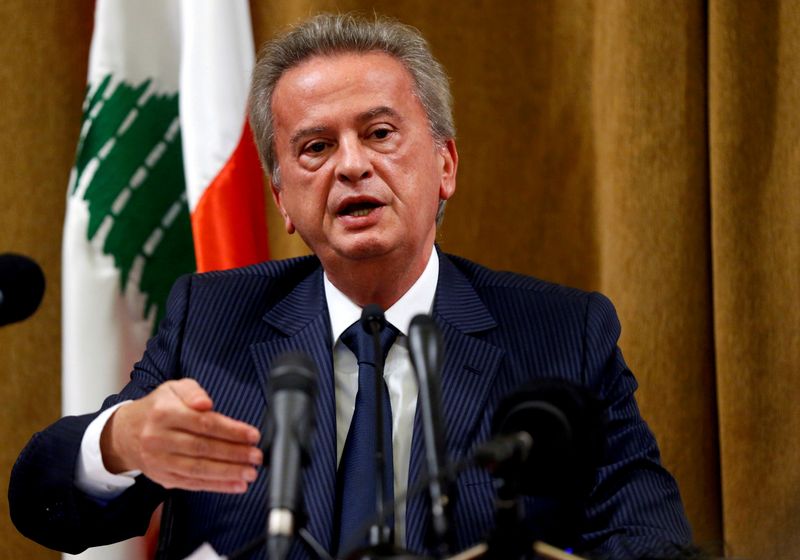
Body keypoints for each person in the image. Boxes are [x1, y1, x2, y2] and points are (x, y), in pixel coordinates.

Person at [9, 13, 692, 560]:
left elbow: (651, 541)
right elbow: (43, 505)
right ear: (281, 200)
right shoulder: (211, 321)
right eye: (315, 148)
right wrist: (121, 441)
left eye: (380, 132)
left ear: (445, 165)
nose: (352, 166)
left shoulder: (560, 333)